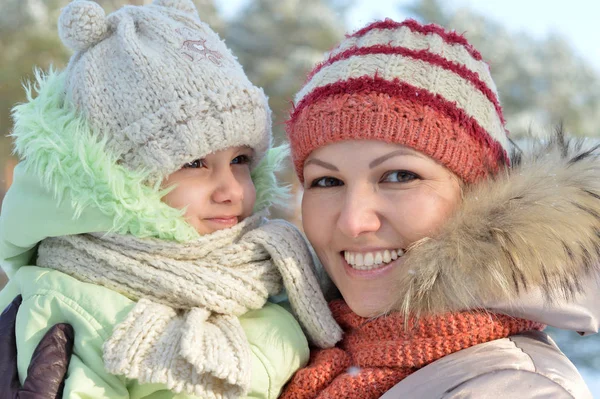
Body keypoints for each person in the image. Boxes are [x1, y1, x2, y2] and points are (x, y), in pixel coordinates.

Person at [0, 0, 341, 398]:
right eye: (195, 163)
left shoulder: (278, 271)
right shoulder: (68, 303)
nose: (230, 189)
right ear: (119, 177)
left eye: (241, 160)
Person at [280, 19, 599, 398]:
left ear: (479, 192)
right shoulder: (292, 349)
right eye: (327, 182)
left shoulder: (514, 387)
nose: (354, 221)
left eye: (399, 176)